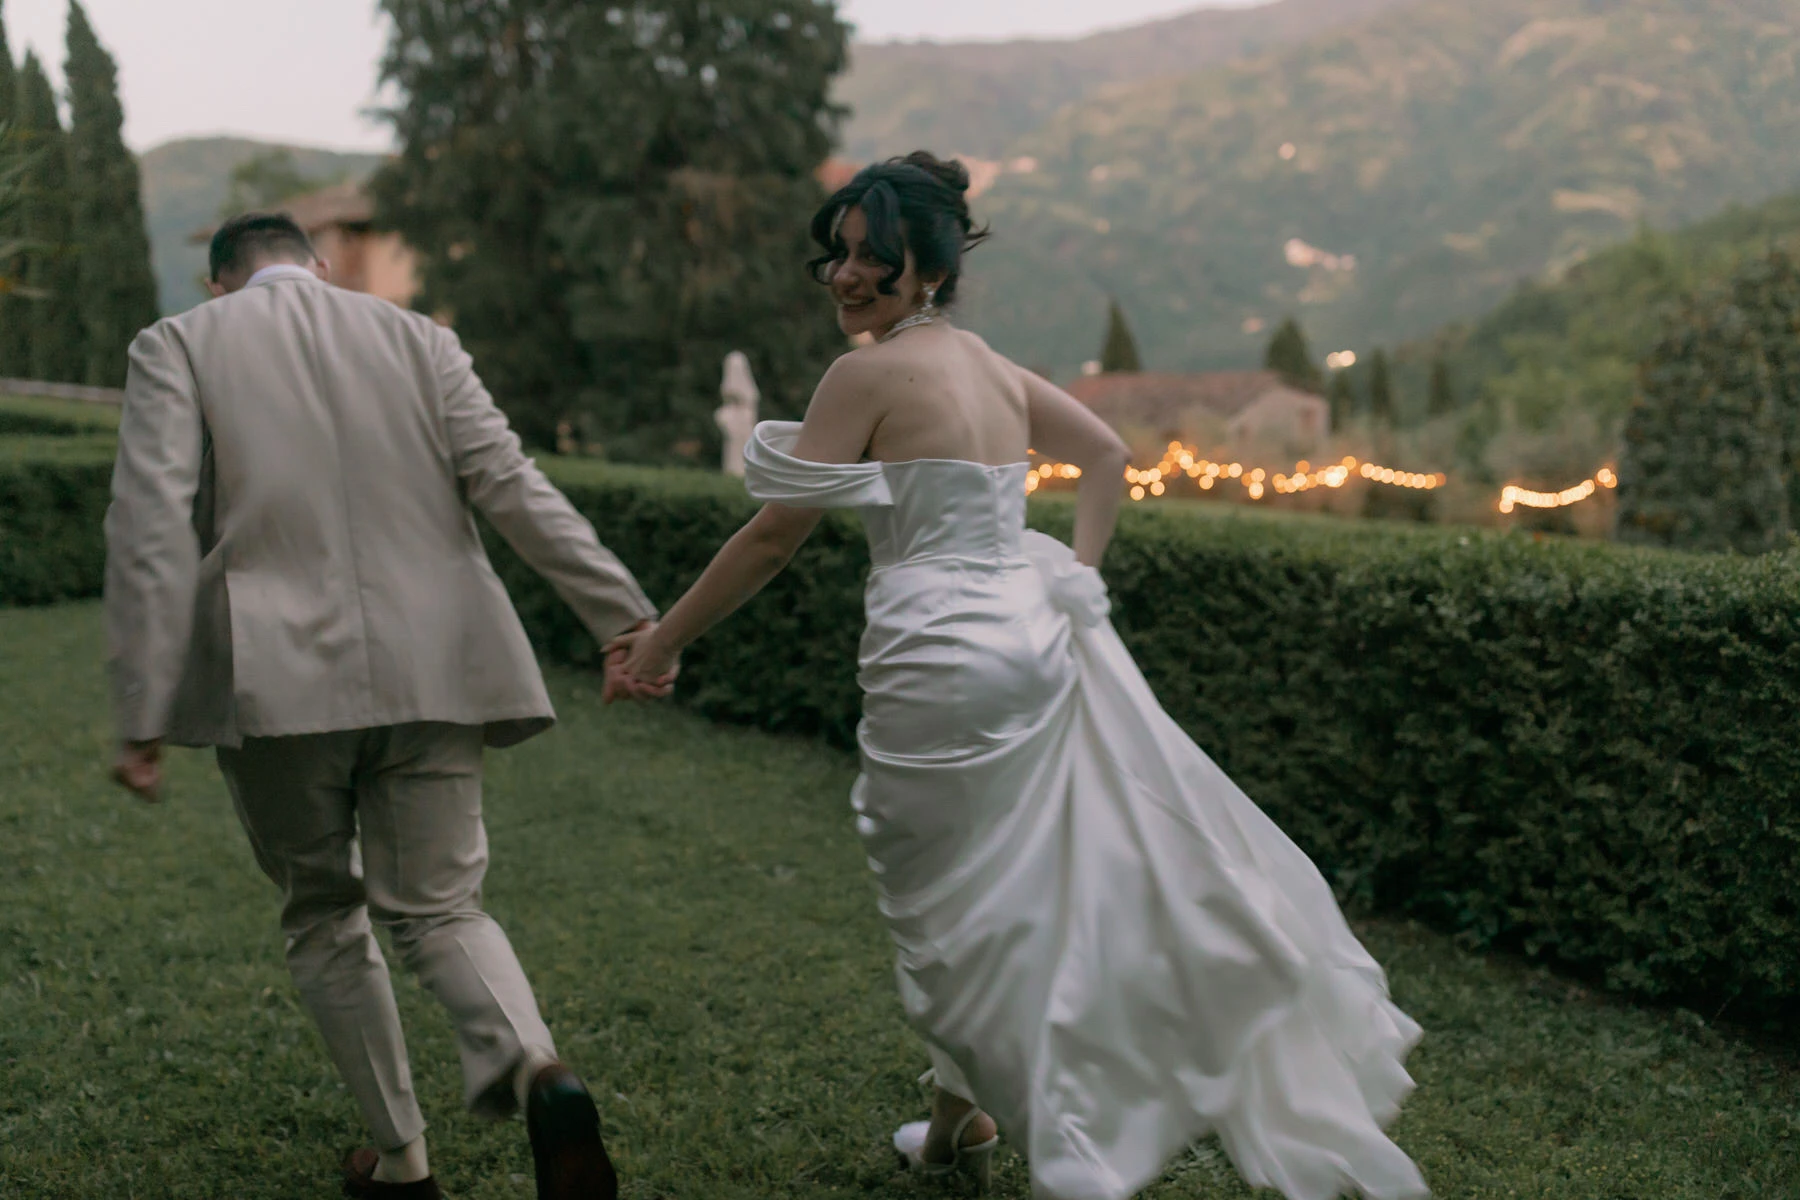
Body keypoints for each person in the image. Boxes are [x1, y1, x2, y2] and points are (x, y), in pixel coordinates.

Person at [606, 154, 1429, 1200]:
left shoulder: (863, 377)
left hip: (934, 656)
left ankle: (1074, 1148)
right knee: (999, 891)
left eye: (872, 258)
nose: (847, 277)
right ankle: (960, 1122)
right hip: (1030, 643)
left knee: (950, 907)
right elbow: (1106, 456)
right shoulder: (995, 370)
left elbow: (773, 537)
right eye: (839, 255)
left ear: (929, 269)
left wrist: (664, 641)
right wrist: (1077, 581)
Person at [105, 212, 660, 1200]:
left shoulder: (181, 340)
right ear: (316, 267)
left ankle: (403, 1162)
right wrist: (621, 617)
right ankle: (539, 1069)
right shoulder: (420, 337)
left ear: (222, 281)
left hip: (273, 680)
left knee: (324, 915)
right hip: (436, 662)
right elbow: (510, 483)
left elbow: (151, 523)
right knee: (443, 904)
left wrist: (142, 712)